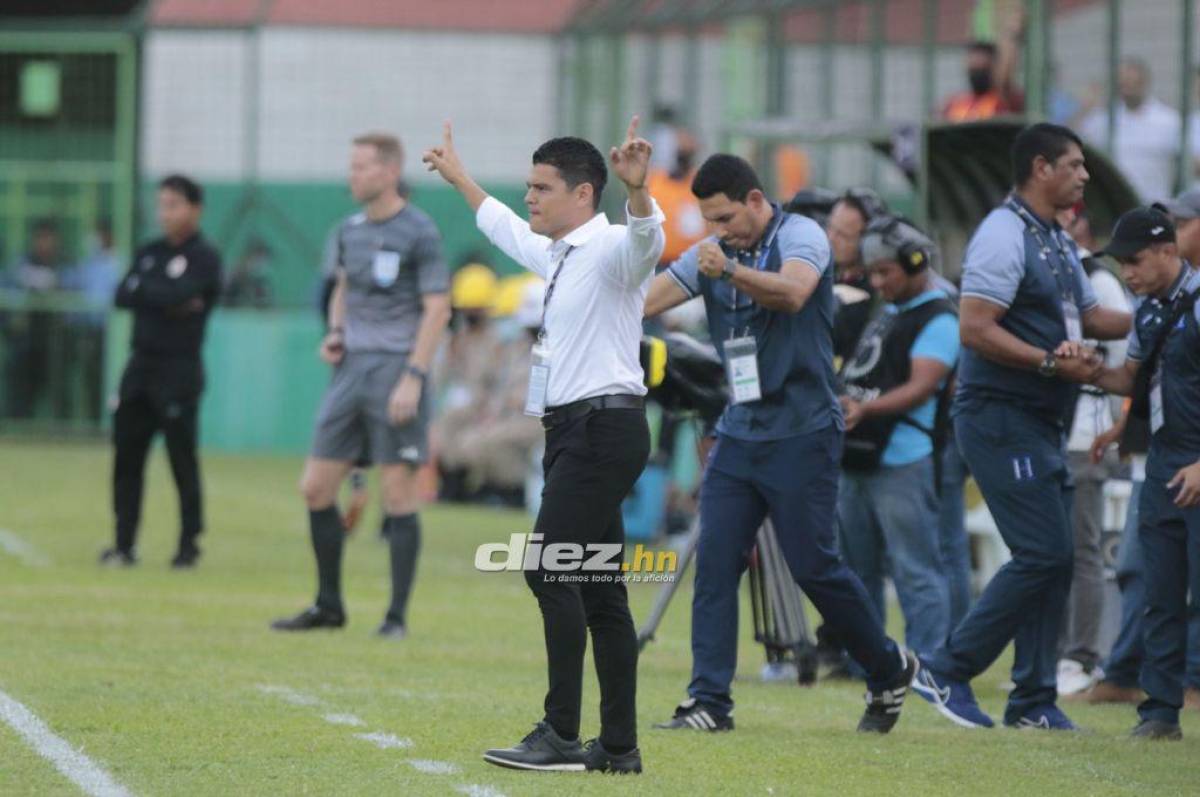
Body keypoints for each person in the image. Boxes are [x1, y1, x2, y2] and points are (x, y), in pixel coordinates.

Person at [643, 154, 917, 736]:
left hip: (803, 431)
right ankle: (709, 703)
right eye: (708, 221)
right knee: (716, 562)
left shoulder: (801, 236)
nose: (718, 231)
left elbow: (793, 293)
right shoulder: (713, 253)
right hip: (740, 430)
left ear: (756, 201)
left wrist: (728, 272)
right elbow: (647, 300)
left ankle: (888, 668)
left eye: (725, 218)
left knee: (815, 566)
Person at [423, 117, 663, 774]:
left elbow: (649, 239)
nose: (529, 197)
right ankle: (617, 745)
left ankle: (561, 732)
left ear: (584, 194)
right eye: (528, 186)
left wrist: (639, 191)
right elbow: (500, 223)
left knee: (547, 566)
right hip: (577, 432)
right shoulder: (557, 254)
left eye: (541, 187)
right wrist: (460, 177)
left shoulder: (614, 246)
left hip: (600, 429)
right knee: (599, 589)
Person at [912, 123, 1131, 731]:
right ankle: (947, 667)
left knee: (1056, 558)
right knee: (1043, 551)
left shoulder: (1056, 241)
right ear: (1041, 168)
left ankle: (1033, 699)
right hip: (1000, 417)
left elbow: (1089, 316)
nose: (1085, 176)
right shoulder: (1003, 234)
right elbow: (975, 327)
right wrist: (1044, 362)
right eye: (1075, 164)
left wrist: (1161, 312)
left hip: (1041, 419)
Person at [271, 133, 451, 639]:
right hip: (349, 370)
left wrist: (414, 377)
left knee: (398, 494)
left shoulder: (420, 231)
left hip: (398, 369)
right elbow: (343, 288)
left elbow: (438, 308)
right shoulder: (348, 230)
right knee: (315, 487)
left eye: (362, 168)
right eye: (350, 167)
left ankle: (395, 618)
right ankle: (328, 605)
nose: (352, 176)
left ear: (390, 172)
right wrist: (335, 332)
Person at [1087, 207, 1200, 739]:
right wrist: (1077, 364)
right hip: (1163, 465)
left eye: (1134, 260)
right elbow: (1130, 377)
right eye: (1121, 263)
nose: (1127, 272)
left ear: (1166, 251)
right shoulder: (1150, 311)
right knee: (1160, 586)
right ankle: (1159, 711)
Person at [837, 216, 959, 661]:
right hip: (858, 457)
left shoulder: (941, 317)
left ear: (916, 263)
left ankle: (928, 662)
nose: (877, 281)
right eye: (873, 272)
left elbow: (920, 387)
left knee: (916, 570)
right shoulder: (888, 311)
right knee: (855, 570)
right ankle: (868, 662)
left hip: (903, 460)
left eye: (886, 271)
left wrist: (863, 408)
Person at [102, 175, 223, 567]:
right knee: (127, 458)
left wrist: (152, 292)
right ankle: (124, 544)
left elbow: (177, 293)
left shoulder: (205, 257)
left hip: (179, 370)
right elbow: (123, 295)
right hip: (139, 367)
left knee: (181, 460)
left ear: (194, 209)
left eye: (173, 204)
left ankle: (188, 545)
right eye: (162, 204)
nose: (164, 213)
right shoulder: (149, 251)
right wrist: (165, 297)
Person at [1057, 207, 1130, 697]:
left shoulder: (1097, 282)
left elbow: (1125, 361)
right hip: (1055, 429)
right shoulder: (1054, 275)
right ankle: (1055, 648)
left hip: (1085, 430)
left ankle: (1081, 654)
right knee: (1050, 548)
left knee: (1081, 548)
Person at [1080, 58, 1181, 201]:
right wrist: (1085, 108)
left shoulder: (1168, 121)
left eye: (1133, 82)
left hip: (1155, 205)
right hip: (1116, 207)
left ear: (1144, 82)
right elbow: (1072, 141)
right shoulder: (1103, 120)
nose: (1128, 88)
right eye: (1123, 83)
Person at [825, 189, 888, 362]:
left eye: (843, 235)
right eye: (830, 227)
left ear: (868, 242)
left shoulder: (882, 292)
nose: (830, 238)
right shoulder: (822, 274)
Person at [940, 12, 1024, 123]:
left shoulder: (1002, 100)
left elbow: (1005, 78)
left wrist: (1011, 34)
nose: (976, 63)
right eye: (973, 59)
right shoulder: (955, 104)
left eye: (983, 62)